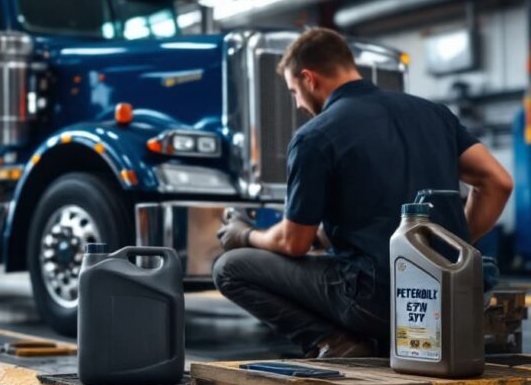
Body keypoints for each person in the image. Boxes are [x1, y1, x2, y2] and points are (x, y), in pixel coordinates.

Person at [213, 28, 513, 358]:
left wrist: (245, 235)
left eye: (294, 92)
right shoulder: (435, 114)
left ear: (309, 79)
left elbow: (293, 242)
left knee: (229, 268)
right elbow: (497, 182)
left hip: (375, 304)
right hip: (448, 298)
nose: (298, 104)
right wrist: (447, 252)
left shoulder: (314, 136)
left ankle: (337, 342)